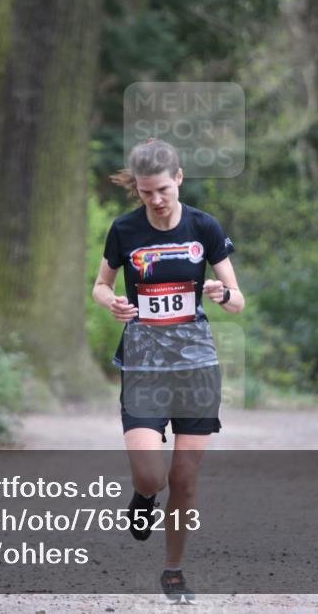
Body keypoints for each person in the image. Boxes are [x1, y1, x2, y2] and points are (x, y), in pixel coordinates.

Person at [91, 138, 244, 604]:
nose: (155, 200)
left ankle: (173, 570)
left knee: (184, 481)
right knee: (151, 477)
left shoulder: (204, 227)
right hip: (143, 367)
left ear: (179, 179)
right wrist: (112, 301)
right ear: (136, 190)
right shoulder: (124, 230)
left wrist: (221, 293)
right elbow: (100, 284)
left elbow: (237, 301)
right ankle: (143, 500)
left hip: (196, 368)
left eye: (162, 189)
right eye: (145, 192)